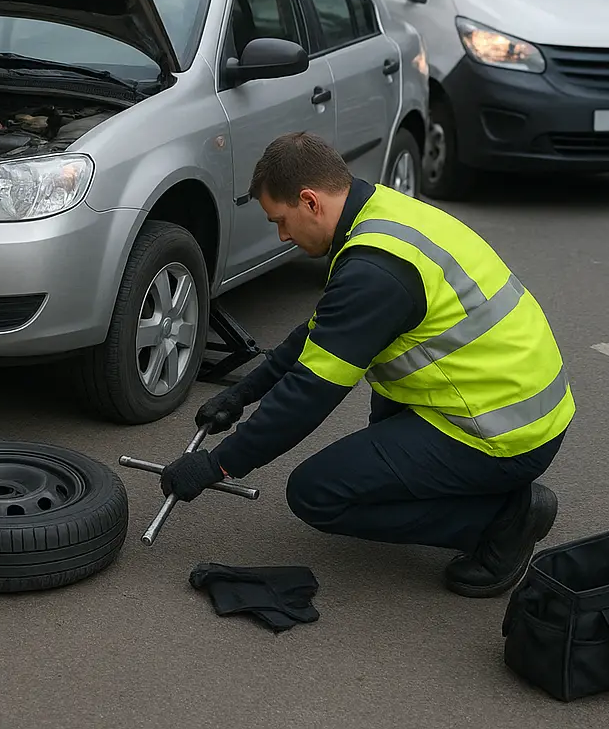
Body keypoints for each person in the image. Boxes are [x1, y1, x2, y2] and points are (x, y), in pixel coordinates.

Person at [160, 131, 575, 598]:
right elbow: (319, 333)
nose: (283, 236)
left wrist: (217, 466)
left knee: (316, 493)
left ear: (310, 201)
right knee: (380, 414)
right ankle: (477, 493)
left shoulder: (374, 272)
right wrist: (243, 393)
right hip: (515, 400)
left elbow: (308, 395)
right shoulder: (379, 213)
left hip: (503, 431)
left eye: (281, 220)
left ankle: (501, 523)